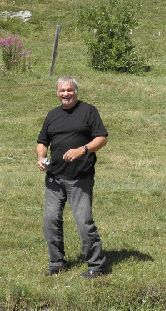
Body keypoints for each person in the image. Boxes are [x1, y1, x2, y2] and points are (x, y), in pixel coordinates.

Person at [36, 76, 108, 279]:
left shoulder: (88, 111)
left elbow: (101, 138)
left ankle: (96, 266)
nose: (66, 94)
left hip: (79, 178)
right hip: (54, 178)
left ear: (76, 91)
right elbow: (42, 141)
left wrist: (82, 150)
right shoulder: (52, 115)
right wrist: (41, 157)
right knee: (50, 220)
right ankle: (57, 263)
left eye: (69, 90)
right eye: (62, 91)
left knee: (84, 221)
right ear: (57, 93)